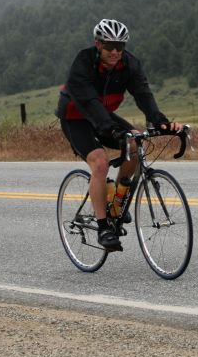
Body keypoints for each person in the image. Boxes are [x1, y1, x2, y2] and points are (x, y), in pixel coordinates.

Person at [56, 18, 182, 251]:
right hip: (76, 117)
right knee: (100, 163)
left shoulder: (130, 64)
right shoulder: (83, 62)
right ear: (98, 44)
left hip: (104, 115)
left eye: (120, 47)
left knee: (135, 143)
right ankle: (104, 227)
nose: (115, 52)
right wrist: (110, 129)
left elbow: (143, 94)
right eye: (109, 46)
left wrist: (160, 121)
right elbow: (89, 102)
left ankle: (118, 199)